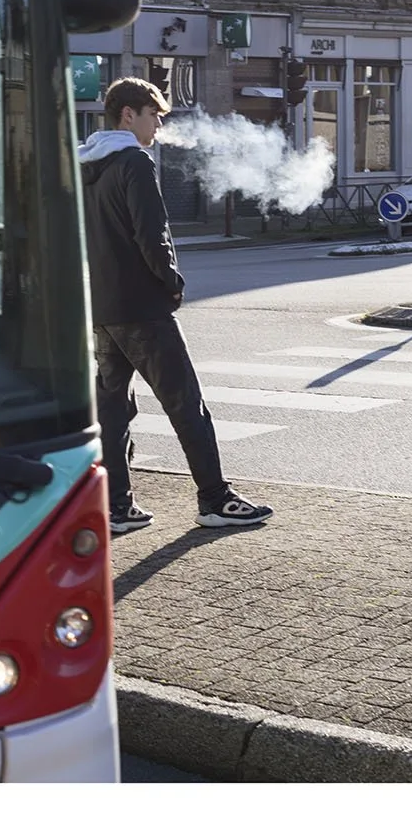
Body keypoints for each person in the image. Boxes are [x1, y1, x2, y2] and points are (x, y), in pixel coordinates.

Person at [78, 77, 273, 532]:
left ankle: (117, 507)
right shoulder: (135, 163)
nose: (159, 126)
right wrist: (171, 283)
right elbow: (153, 234)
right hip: (143, 307)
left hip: (103, 308)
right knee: (187, 405)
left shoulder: (86, 167)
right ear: (129, 114)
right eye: (154, 115)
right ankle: (215, 499)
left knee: (111, 409)